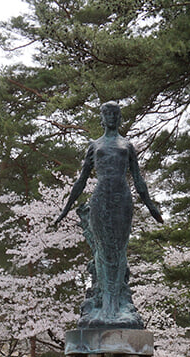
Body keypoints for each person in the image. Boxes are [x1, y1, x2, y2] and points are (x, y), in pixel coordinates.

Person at [56, 101, 164, 329]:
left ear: (120, 117)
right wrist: (65, 210)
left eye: (115, 113)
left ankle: (117, 307)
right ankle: (105, 307)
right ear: (102, 117)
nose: (111, 117)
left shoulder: (127, 145)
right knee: (103, 251)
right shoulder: (94, 145)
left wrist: (150, 205)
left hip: (122, 199)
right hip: (100, 198)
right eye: (107, 113)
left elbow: (138, 178)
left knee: (119, 250)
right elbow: (81, 180)